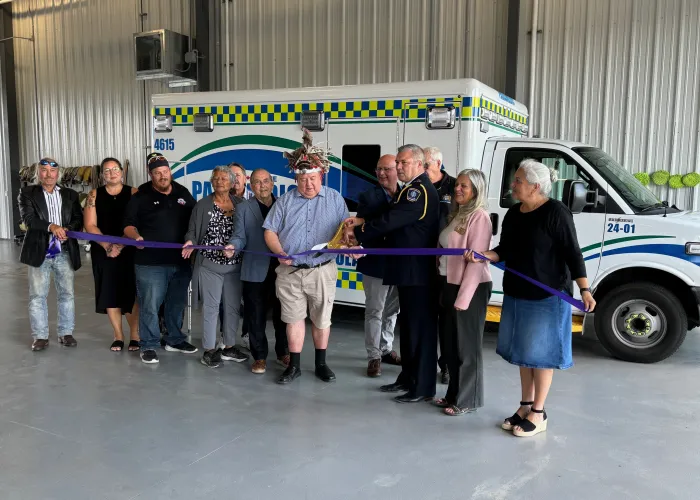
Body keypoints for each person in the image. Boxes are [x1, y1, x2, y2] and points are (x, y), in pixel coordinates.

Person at [470, 159, 596, 437]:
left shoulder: (556, 212)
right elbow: (506, 249)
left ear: (535, 186)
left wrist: (585, 289)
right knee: (524, 353)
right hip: (518, 292)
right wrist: (485, 255)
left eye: (518, 182)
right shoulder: (514, 213)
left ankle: (539, 411)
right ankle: (525, 405)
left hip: (548, 295)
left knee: (541, 354)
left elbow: (572, 253)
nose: (513, 186)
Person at [345, 144, 439, 403]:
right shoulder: (410, 190)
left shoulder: (417, 192)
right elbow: (389, 215)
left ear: (419, 164)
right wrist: (362, 222)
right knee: (408, 329)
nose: (398, 167)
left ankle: (422, 387)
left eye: (403, 163)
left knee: (419, 331)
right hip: (406, 270)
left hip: (417, 272)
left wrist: (361, 234)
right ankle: (408, 378)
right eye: (397, 162)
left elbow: (392, 220)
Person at [263, 129, 349, 384]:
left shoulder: (334, 199)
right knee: (293, 319)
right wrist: (279, 253)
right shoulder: (285, 201)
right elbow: (269, 230)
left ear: (320, 176)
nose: (307, 184)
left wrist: (349, 245)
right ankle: (294, 366)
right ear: (295, 180)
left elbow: (346, 230)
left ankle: (321, 364)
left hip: (322, 270)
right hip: (290, 273)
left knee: (322, 319)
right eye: (302, 180)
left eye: (312, 178)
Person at [123, 154, 198, 364]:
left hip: (181, 261)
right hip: (150, 262)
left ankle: (174, 339)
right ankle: (148, 344)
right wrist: (135, 236)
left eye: (165, 172)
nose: (163, 176)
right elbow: (127, 224)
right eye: (157, 173)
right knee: (150, 304)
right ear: (151, 174)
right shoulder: (140, 196)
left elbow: (195, 220)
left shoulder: (182, 192)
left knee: (176, 303)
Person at [432, 169, 492, 416]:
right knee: (450, 345)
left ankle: (468, 400)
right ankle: (452, 395)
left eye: (464, 186)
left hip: (471, 288)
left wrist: (464, 298)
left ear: (475, 191)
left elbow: (476, 263)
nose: (458, 189)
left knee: (467, 347)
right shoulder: (456, 215)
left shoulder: (480, 218)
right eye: (457, 185)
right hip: (449, 284)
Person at [183, 166, 248, 368]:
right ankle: (210, 350)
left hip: (235, 267)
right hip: (210, 265)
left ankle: (228, 346)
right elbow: (192, 231)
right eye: (216, 178)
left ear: (232, 183)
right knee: (211, 308)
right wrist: (189, 242)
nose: (219, 182)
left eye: (224, 179)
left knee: (232, 308)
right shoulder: (203, 205)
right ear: (212, 182)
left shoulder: (240, 204)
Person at [225, 169, 289, 374]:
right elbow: (239, 236)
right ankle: (259, 356)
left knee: (284, 314)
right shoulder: (244, 208)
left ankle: (283, 352)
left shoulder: (284, 204)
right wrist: (232, 246)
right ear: (251, 186)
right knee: (256, 316)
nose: (262, 185)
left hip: (283, 269)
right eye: (257, 182)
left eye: (266, 181)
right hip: (255, 270)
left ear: (272, 183)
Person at [18, 157, 83, 351]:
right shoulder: (27, 193)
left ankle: (66, 333)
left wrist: (67, 229)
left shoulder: (70, 194)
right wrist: (52, 227)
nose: (48, 174)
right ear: (38, 173)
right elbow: (28, 220)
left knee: (67, 294)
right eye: (44, 170)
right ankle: (40, 336)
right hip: (40, 250)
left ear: (58, 173)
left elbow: (78, 219)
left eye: (52, 171)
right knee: (37, 295)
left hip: (64, 251)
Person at [84, 158, 139, 352]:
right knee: (110, 292)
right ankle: (118, 335)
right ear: (102, 175)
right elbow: (90, 225)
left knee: (131, 292)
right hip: (103, 250)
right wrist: (108, 246)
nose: (111, 173)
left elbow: (137, 222)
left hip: (128, 248)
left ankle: (135, 334)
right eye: (107, 171)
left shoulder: (134, 193)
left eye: (115, 169)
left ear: (122, 172)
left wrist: (121, 245)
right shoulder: (93, 195)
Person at [355, 154, 401, 378]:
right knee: (375, 311)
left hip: (400, 263)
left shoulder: (408, 193)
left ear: (398, 169)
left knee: (392, 311)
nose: (382, 174)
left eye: (387, 169)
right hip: (375, 263)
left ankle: (386, 349)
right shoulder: (368, 197)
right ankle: (373, 356)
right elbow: (365, 227)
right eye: (378, 169)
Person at [423, 146, 456, 385]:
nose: (423, 170)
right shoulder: (417, 187)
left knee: (446, 319)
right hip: (422, 261)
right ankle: (423, 364)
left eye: (426, 165)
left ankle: (445, 366)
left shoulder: (455, 187)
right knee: (424, 317)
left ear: (438, 164)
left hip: (445, 264)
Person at [227, 161, 251, 350]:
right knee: (225, 302)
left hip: (249, 260)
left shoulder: (254, 200)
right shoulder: (217, 200)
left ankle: (247, 333)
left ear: (246, 178)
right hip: (226, 260)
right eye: (231, 176)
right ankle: (225, 337)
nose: (235, 179)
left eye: (238, 176)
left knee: (250, 300)